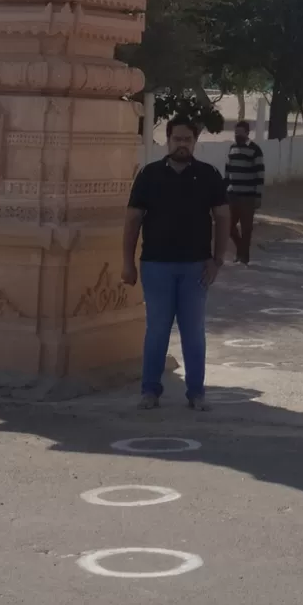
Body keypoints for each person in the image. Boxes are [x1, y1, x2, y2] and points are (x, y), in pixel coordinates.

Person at [122, 119, 228, 411]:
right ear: (167, 140)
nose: (183, 144)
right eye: (177, 139)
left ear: (195, 142)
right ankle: (149, 391)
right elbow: (132, 221)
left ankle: (196, 392)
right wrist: (127, 263)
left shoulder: (209, 176)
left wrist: (217, 261)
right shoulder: (149, 176)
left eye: (188, 140)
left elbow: (222, 218)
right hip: (156, 265)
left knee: (193, 331)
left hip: (196, 268)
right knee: (157, 329)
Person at [223, 119, 266, 263]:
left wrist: (258, 196)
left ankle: (244, 257)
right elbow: (228, 171)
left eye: (240, 133)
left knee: (246, 228)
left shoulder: (255, 150)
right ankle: (241, 249)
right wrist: (224, 190)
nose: (237, 135)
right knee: (228, 226)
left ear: (247, 133)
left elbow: (260, 175)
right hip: (232, 194)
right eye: (236, 132)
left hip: (248, 196)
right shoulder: (232, 148)